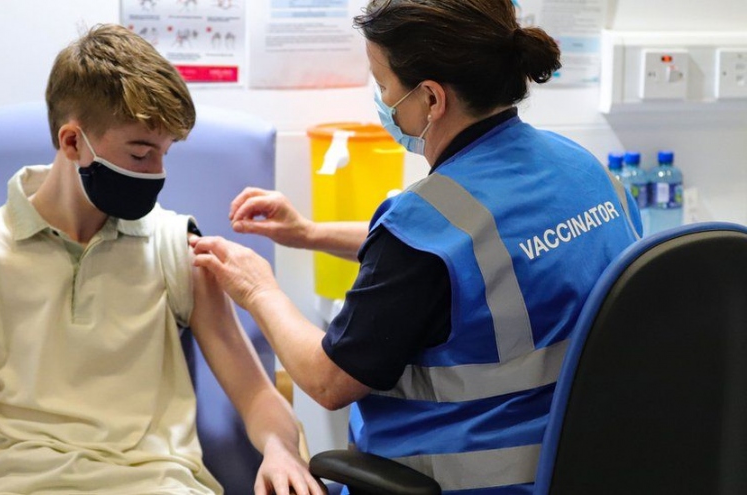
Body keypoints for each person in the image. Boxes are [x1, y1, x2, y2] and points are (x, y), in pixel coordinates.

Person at [190, 0, 643, 493]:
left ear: (430, 98)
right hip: (589, 468)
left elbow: (327, 381)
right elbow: (470, 254)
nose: (381, 100)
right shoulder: (582, 168)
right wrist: (308, 233)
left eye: (382, 84)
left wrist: (259, 289)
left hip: (469, 481)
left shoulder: (424, 226)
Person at [0, 24, 322, 495]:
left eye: (165, 154)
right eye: (141, 154)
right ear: (72, 142)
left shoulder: (177, 249)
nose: (158, 173)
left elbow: (255, 392)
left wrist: (281, 450)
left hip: (157, 484)